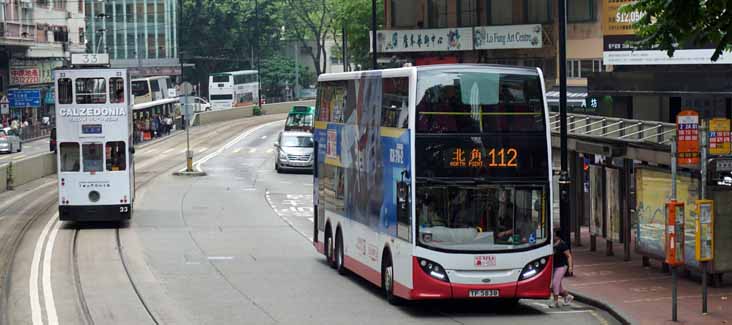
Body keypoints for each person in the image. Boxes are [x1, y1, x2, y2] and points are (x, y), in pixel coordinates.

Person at [550, 229, 574, 308]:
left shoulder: (562, 244)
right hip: (554, 267)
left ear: (557, 236)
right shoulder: (551, 243)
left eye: (554, 235)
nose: (552, 236)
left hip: (562, 266)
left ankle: (555, 302)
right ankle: (568, 297)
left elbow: (569, 256)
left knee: (555, 283)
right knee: (559, 287)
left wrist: (570, 267)